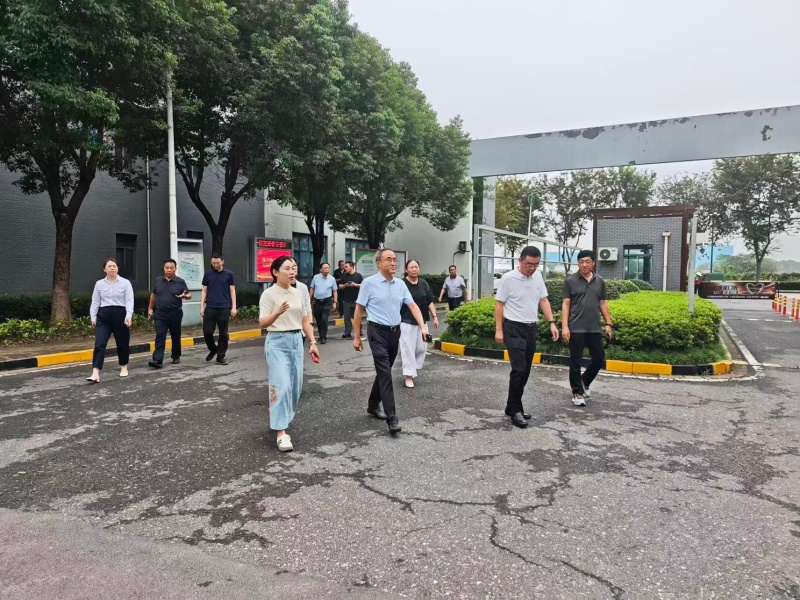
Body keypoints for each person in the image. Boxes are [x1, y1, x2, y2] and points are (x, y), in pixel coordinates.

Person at [353, 249, 430, 435]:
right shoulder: (369, 283)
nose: (393, 263)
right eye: (389, 259)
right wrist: (356, 336)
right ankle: (392, 417)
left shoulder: (400, 285)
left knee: (384, 371)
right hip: (376, 332)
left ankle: (373, 405)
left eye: (395, 260)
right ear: (378, 263)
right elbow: (359, 310)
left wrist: (423, 327)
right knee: (385, 372)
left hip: (395, 332)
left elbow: (413, 305)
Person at [259, 256, 320, 452]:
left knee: (295, 386)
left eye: (294, 268)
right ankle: (281, 432)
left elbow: (304, 321)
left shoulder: (298, 293)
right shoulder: (269, 294)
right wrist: (277, 313)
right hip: (277, 342)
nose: (292, 271)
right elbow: (262, 323)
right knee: (281, 385)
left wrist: (312, 342)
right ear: (275, 272)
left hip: (296, 341)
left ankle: (280, 414)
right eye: (287, 268)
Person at [494, 246, 559, 428]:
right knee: (519, 369)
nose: (532, 268)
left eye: (536, 264)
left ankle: (511, 406)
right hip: (513, 328)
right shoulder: (508, 278)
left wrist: (552, 322)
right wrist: (499, 329)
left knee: (526, 370)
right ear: (520, 261)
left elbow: (543, 300)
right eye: (529, 264)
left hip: (531, 329)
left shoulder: (537, 277)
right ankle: (516, 410)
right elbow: (499, 304)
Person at [561, 249, 613, 406]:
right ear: (578, 263)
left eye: (587, 262)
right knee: (575, 361)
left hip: (594, 327)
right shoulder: (570, 281)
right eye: (581, 262)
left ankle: (585, 381)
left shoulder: (600, 281)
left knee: (598, 359)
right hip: (576, 327)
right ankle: (577, 392)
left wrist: (608, 324)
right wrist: (565, 327)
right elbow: (566, 304)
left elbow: (602, 303)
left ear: (593, 263)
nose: (584, 265)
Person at [87, 258, 134, 383]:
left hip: (120, 315)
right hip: (104, 317)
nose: (112, 268)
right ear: (104, 269)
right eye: (109, 266)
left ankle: (124, 366)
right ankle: (95, 372)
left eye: (114, 266)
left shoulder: (125, 283)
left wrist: (129, 315)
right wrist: (93, 317)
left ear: (117, 268)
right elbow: (95, 301)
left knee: (122, 343)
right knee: (99, 344)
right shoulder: (99, 284)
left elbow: (129, 300)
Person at [400, 259, 438, 388]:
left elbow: (429, 301)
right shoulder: (402, 284)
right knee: (408, 349)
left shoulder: (423, 283)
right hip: (406, 321)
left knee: (421, 348)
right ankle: (409, 375)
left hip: (422, 322)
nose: (414, 269)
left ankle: (412, 368)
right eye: (411, 267)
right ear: (406, 270)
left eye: (416, 267)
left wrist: (435, 316)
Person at [147, 259, 191, 369]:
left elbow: (189, 294)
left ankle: (176, 356)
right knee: (160, 335)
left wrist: (185, 296)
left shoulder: (180, 282)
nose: (169, 270)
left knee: (175, 334)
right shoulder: (158, 280)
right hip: (160, 313)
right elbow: (153, 295)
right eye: (167, 268)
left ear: (175, 269)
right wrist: (150, 308)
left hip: (175, 312)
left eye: (171, 268)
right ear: (164, 268)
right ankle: (157, 360)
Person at [200, 253, 237, 365]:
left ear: (222, 262)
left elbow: (232, 291)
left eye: (217, 263)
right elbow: (204, 291)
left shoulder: (229, 274)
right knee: (207, 332)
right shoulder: (208, 275)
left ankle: (220, 357)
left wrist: (234, 307)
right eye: (213, 263)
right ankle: (213, 349)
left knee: (223, 334)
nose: (215, 265)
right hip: (210, 307)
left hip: (224, 307)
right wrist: (201, 306)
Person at [309, 262, 338, 344]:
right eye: (325, 268)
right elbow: (312, 288)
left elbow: (335, 291)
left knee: (324, 319)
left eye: (328, 268)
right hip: (317, 301)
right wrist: (308, 299)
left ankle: (323, 337)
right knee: (318, 319)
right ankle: (320, 334)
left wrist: (335, 302)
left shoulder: (332, 279)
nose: (327, 269)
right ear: (321, 269)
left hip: (327, 301)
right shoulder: (316, 277)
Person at [339, 261, 364, 340]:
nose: (345, 268)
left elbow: (363, 285)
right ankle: (347, 332)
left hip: (356, 300)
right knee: (347, 317)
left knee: (357, 317)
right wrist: (345, 285)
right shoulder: (344, 276)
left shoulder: (358, 276)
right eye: (344, 267)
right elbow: (340, 286)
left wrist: (355, 285)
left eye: (346, 267)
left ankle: (359, 331)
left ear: (352, 267)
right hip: (346, 300)